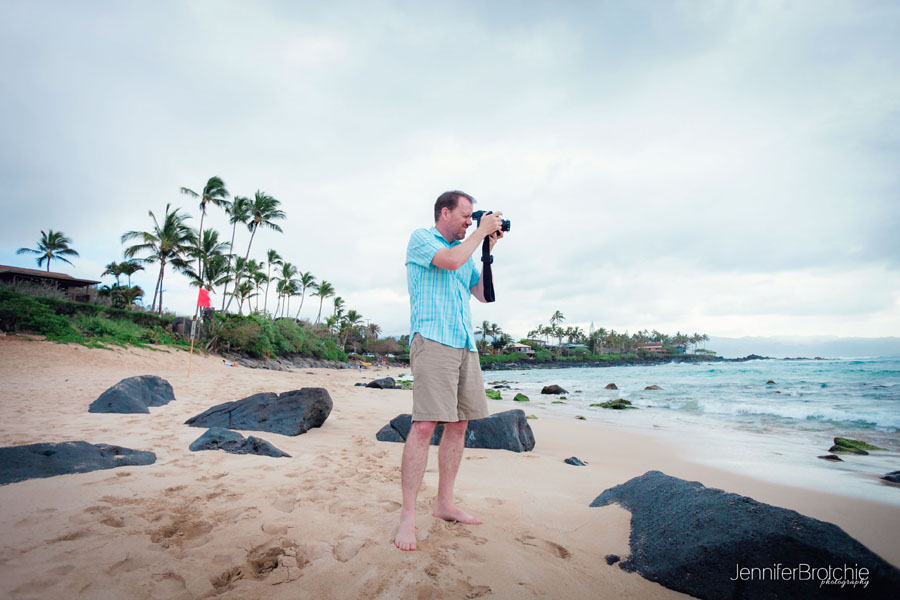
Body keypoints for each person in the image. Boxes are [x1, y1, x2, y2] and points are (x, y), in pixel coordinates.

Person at [393, 190, 504, 551]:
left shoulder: (469, 249)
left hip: (464, 343)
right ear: (445, 212)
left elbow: (484, 296)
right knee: (425, 425)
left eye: (473, 218)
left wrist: (487, 250)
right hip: (433, 340)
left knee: (459, 425)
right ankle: (408, 516)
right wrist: (478, 234)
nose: (470, 222)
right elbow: (451, 262)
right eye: (466, 216)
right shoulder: (423, 239)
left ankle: (444, 504)